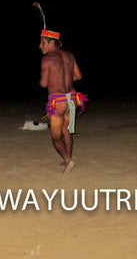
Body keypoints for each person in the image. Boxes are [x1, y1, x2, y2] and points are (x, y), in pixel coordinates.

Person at [39, 29, 88, 174]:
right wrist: (64, 78)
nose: (40, 46)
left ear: (51, 42)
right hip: (72, 98)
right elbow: (78, 76)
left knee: (55, 136)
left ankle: (68, 160)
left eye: (42, 43)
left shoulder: (47, 59)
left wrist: (54, 79)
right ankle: (68, 159)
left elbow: (43, 83)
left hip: (58, 100)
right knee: (66, 132)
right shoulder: (69, 56)